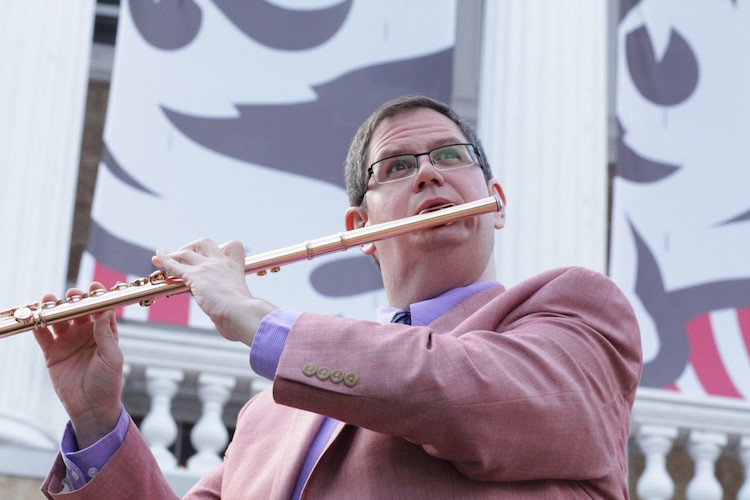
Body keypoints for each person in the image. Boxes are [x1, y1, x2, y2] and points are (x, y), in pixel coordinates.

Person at [35, 95, 642, 499]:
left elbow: (464, 391)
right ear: (358, 230)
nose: (429, 174)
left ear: (496, 201)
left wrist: (256, 318)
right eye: (397, 166)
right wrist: (97, 419)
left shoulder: (574, 312)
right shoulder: (267, 417)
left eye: (451, 157)